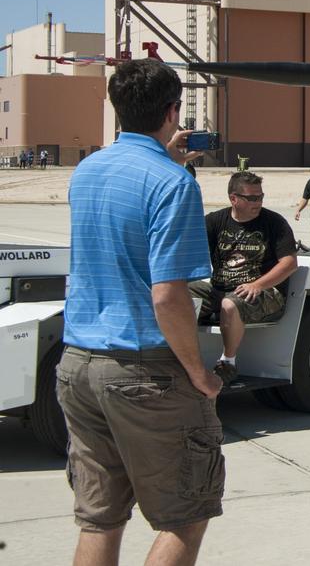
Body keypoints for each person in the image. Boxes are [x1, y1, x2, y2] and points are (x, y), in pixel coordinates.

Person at [57, 59, 223, 566]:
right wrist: (199, 374)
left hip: (78, 364)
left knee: (100, 517)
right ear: (174, 112)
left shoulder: (87, 170)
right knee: (186, 513)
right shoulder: (173, 186)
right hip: (143, 368)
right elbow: (167, 295)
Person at [190, 171, 298, 385]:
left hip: (266, 293)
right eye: (252, 198)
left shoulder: (274, 223)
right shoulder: (215, 221)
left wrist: (257, 284)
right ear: (234, 198)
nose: (258, 202)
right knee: (176, 295)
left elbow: (289, 264)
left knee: (230, 304)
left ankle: (228, 363)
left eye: (260, 197)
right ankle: (176, 356)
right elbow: (191, 252)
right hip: (219, 288)